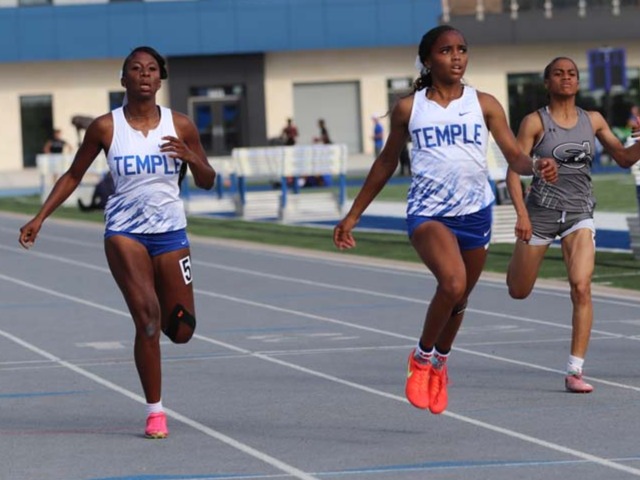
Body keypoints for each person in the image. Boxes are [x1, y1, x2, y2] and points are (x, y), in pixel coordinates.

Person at [333, 25, 557, 415]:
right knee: (452, 283)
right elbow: (386, 162)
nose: (456, 57)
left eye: (462, 50)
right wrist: (353, 215)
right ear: (427, 60)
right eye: (446, 50)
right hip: (428, 213)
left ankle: (440, 363)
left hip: (476, 213)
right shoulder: (410, 108)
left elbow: (513, 154)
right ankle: (421, 357)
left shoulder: (484, 103)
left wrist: (535, 165)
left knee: (461, 297)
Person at [18, 46, 216, 438]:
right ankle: (155, 412)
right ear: (123, 79)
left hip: (171, 234)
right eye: (136, 69)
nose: (144, 74)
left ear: (160, 79)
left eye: (152, 69)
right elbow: (73, 175)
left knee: (181, 331)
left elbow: (208, 180)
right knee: (147, 321)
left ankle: (157, 317)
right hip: (125, 233)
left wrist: (192, 157)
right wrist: (40, 217)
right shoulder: (106, 127)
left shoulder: (181, 125)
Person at [505, 56, 640, 394]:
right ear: (547, 82)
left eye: (572, 74)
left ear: (578, 82)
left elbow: (624, 159)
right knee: (518, 290)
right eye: (558, 74)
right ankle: (518, 261)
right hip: (540, 214)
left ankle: (574, 370)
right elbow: (514, 170)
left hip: (579, 213)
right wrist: (521, 214)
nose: (566, 78)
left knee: (581, 287)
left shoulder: (593, 120)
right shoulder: (534, 122)